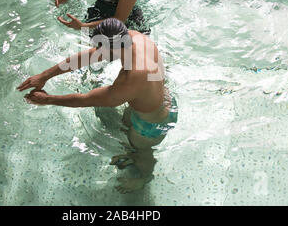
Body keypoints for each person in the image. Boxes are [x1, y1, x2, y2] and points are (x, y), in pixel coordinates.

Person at [16, 18, 177, 193]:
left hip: (150, 127)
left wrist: (48, 99)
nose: (98, 52)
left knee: (141, 151)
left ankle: (145, 177)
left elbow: (86, 100)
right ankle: (133, 152)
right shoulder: (133, 37)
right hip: (160, 97)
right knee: (125, 126)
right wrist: (44, 76)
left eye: (101, 48)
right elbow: (87, 57)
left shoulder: (132, 79)